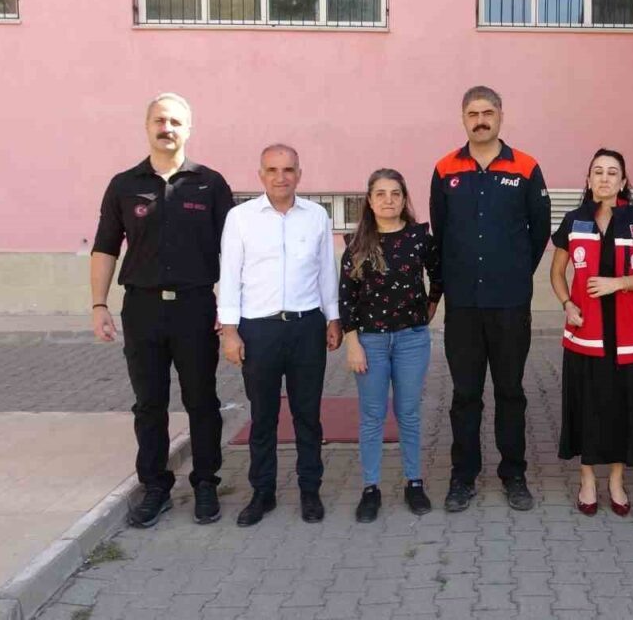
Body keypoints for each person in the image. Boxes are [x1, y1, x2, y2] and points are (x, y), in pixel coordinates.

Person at [91, 92, 233, 528]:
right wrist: (99, 304)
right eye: (159, 120)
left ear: (188, 129)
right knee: (149, 403)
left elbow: (233, 252)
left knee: (201, 400)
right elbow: (105, 247)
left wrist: (228, 308)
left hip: (196, 307)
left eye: (174, 121)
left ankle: (205, 483)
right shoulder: (123, 185)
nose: (166, 128)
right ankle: (155, 487)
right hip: (142, 308)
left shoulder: (210, 184)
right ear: (147, 126)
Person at [430, 86, 551, 513]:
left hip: (509, 303)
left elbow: (540, 231)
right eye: (472, 114)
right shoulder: (445, 169)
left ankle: (513, 473)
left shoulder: (526, 167)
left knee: (510, 391)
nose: (480, 121)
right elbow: (440, 233)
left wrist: (514, 272)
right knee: (465, 394)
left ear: (500, 116)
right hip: (463, 303)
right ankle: (463, 476)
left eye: (487, 113)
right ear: (463, 118)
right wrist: (443, 287)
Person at [218, 144, 342, 527]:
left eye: (288, 170)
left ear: (299, 174)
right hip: (259, 329)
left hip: (306, 327)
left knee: (308, 414)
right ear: (261, 175)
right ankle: (263, 493)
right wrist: (229, 331)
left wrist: (333, 318)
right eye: (272, 170)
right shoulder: (240, 218)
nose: (280, 177)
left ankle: (310, 491)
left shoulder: (317, 216)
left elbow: (326, 271)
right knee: (263, 416)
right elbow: (229, 276)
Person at [549, 149, 633, 516]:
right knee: (586, 407)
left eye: (613, 172)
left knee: (622, 408)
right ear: (589, 179)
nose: (605, 178)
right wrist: (567, 304)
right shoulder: (574, 220)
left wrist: (617, 283)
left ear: (623, 181)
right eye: (598, 171)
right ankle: (587, 479)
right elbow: (557, 272)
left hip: (628, 336)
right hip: (586, 333)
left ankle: (616, 480)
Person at [340, 169, 442, 523]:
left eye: (395, 193)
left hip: (412, 340)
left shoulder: (419, 238)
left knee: (408, 413)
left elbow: (438, 274)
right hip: (370, 341)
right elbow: (346, 298)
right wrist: (352, 343)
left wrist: (429, 307)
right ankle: (371, 488)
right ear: (369, 201)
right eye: (380, 194)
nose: (388, 200)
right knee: (372, 416)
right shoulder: (357, 245)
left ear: (404, 198)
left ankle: (414, 482)